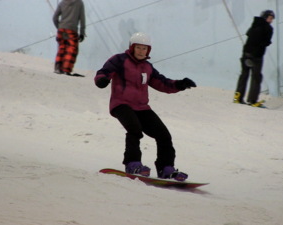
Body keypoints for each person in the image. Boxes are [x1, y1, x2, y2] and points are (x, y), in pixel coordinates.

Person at [94, 32, 196, 181]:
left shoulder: (147, 67)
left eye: (145, 49)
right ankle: (132, 164)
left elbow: (161, 82)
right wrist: (101, 80)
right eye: (139, 48)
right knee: (134, 129)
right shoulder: (119, 60)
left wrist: (179, 84)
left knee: (163, 134)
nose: (141, 51)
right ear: (132, 48)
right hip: (121, 103)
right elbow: (103, 72)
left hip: (141, 107)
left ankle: (166, 169)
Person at [233, 10, 275, 107]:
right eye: (270, 18)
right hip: (256, 56)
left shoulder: (254, 24)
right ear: (265, 17)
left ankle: (238, 97)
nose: (271, 21)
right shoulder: (268, 28)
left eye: (272, 19)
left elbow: (249, 34)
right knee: (256, 77)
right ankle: (252, 100)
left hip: (246, 53)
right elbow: (266, 42)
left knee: (244, 75)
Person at [52, 0, 86, 75]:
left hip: (61, 29)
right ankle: (66, 70)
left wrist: (59, 27)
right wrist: (82, 32)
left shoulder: (62, 2)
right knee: (72, 49)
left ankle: (58, 68)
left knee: (61, 47)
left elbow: (54, 18)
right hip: (72, 29)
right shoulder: (79, 3)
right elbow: (82, 19)